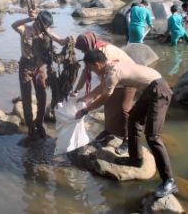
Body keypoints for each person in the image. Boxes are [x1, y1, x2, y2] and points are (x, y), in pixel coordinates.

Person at [76, 50, 177, 198]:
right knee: (133, 119)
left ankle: (169, 181)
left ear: (97, 64)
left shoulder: (112, 72)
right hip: (150, 89)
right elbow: (101, 88)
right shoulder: (110, 67)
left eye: (91, 68)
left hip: (159, 90)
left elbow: (105, 97)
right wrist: (84, 99)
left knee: (153, 136)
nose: (91, 71)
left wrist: (85, 111)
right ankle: (136, 159)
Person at [72, 32, 136, 155]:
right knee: (108, 104)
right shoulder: (92, 54)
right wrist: (76, 91)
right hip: (115, 78)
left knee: (124, 109)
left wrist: (87, 103)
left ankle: (127, 140)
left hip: (129, 77)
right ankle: (109, 130)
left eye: (83, 49)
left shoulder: (104, 54)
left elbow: (103, 86)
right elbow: (86, 72)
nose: (83, 52)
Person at [12, 10, 66, 143]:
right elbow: (14, 25)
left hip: (40, 66)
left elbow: (60, 41)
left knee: (42, 96)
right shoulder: (25, 29)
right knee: (26, 98)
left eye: (47, 26)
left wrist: (69, 41)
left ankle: (39, 124)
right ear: (38, 22)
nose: (45, 28)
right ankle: (30, 128)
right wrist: (28, 19)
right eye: (44, 25)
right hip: (25, 66)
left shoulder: (46, 34)